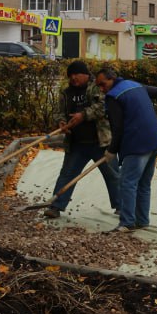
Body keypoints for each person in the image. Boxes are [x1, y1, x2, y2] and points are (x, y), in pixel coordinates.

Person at [93, 67, 157, 234]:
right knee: (143, 184)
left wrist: (111, 150)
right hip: (154, 140)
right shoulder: (135, 85)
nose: (102, 88)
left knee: (127, 183)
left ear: (112, 78)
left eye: (103, 84)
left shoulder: (113, 96)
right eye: (99, 86)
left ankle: (128, 222)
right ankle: (142, 221)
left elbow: (117, 128)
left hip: (136, 143)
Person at [44, 60, 120, 219]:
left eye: (76, 74)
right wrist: (61, 122)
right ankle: (56, 206)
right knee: (67, 174)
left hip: (101, 142)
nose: (73, 78)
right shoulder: (65, 93)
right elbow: (59, 112)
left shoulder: (96, 87)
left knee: (113, 175)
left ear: (85, 74)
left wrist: (83, 115)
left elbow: (104, 106)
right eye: (70, 75)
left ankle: (122, 207)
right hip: (77, 143)